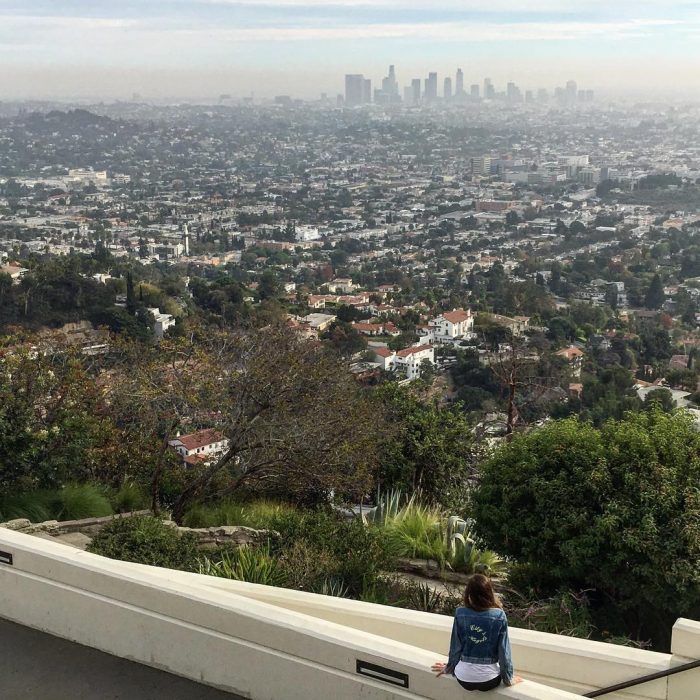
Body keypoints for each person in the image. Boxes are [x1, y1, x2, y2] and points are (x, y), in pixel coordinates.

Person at [431, 574, 522, 692]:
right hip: (489, 680)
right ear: (489, 593)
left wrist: (449, 667)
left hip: (463, 678)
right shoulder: (499, 616)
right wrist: (508, 678)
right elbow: (504, 652)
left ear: (469, 594)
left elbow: (455, 647)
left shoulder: (460, 613)